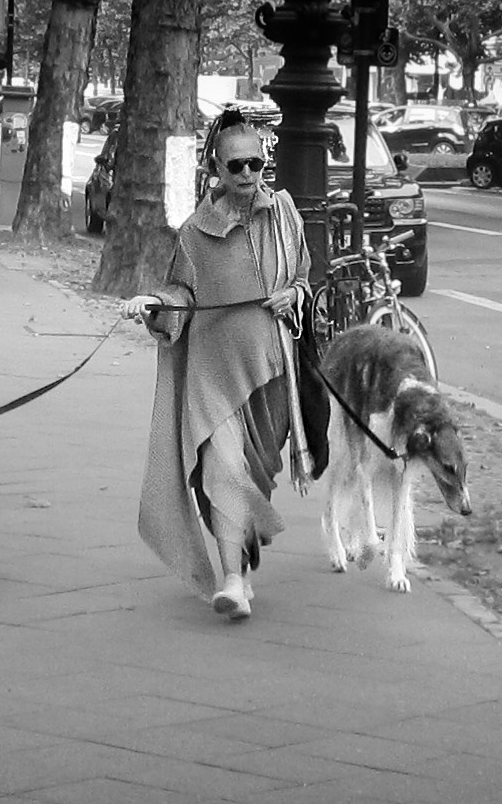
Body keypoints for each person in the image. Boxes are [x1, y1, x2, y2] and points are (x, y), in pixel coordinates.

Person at [119, 110, 310, 621]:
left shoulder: (286, 215)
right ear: (216, 170)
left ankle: (241, 568)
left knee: (256, 477)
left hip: (270, 371)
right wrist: (154, 304)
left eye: (256, 163)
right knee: (223, 472)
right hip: (211, 372)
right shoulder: (193, 233)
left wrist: (293, 293)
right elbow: (180, 290)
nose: (248, 175)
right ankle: (230, 580)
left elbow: (305, 276)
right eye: (236, 166)